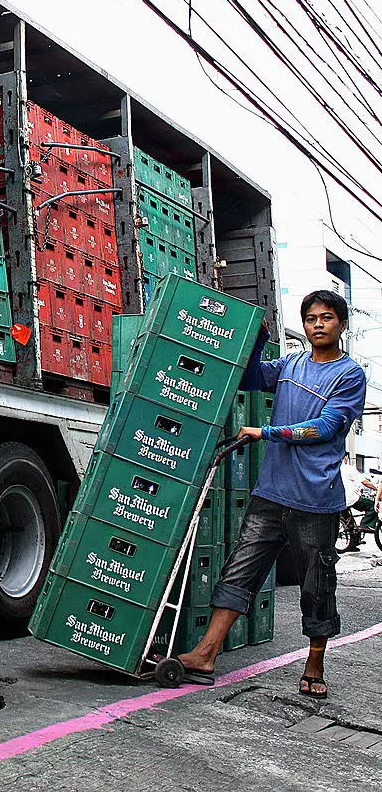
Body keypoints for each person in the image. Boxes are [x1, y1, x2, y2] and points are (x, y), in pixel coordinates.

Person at [176, 290, 366, 699]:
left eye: (327, 317)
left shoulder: (349, 375)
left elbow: (325, 428)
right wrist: (258, 338)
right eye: (311, 318)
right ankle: (205, 654)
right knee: (239, 571)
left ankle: (314, 662)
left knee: (316, 585)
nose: (318, 324)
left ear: (341, 325)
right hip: (271, 493)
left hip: (315, 500)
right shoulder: (291, 364)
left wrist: (266, 432)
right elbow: (249, 377)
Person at [339, 454, 376, 551]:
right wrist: (376, 488)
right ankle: (366, 524)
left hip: (340, 501)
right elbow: (364, 482)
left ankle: (352, 545)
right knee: (372, 506)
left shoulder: (336, 470)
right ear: (346, 458)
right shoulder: (349, 469)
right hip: (351, 498)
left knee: (350, 523)